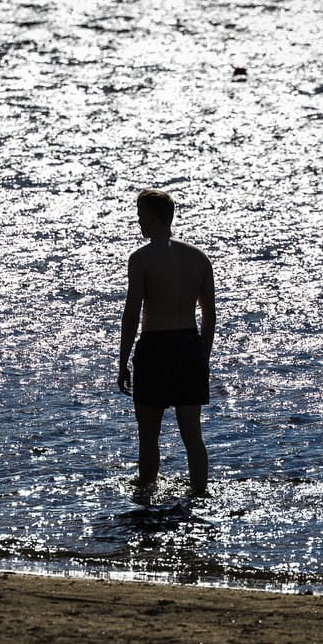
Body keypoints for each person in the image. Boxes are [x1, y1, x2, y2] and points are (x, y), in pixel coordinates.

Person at [116, 189, 216, 498]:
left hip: (155, 347)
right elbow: (210, 314)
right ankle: (200, 493)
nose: (138, 221)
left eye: (141, 215)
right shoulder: (198, 258)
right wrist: (203, 356)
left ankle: (145, 493)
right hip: (188, 345)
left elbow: (132, 314)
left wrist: (122, 362)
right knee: (192, 434)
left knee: (148, 434)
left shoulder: (141, 259)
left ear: (156, 218)